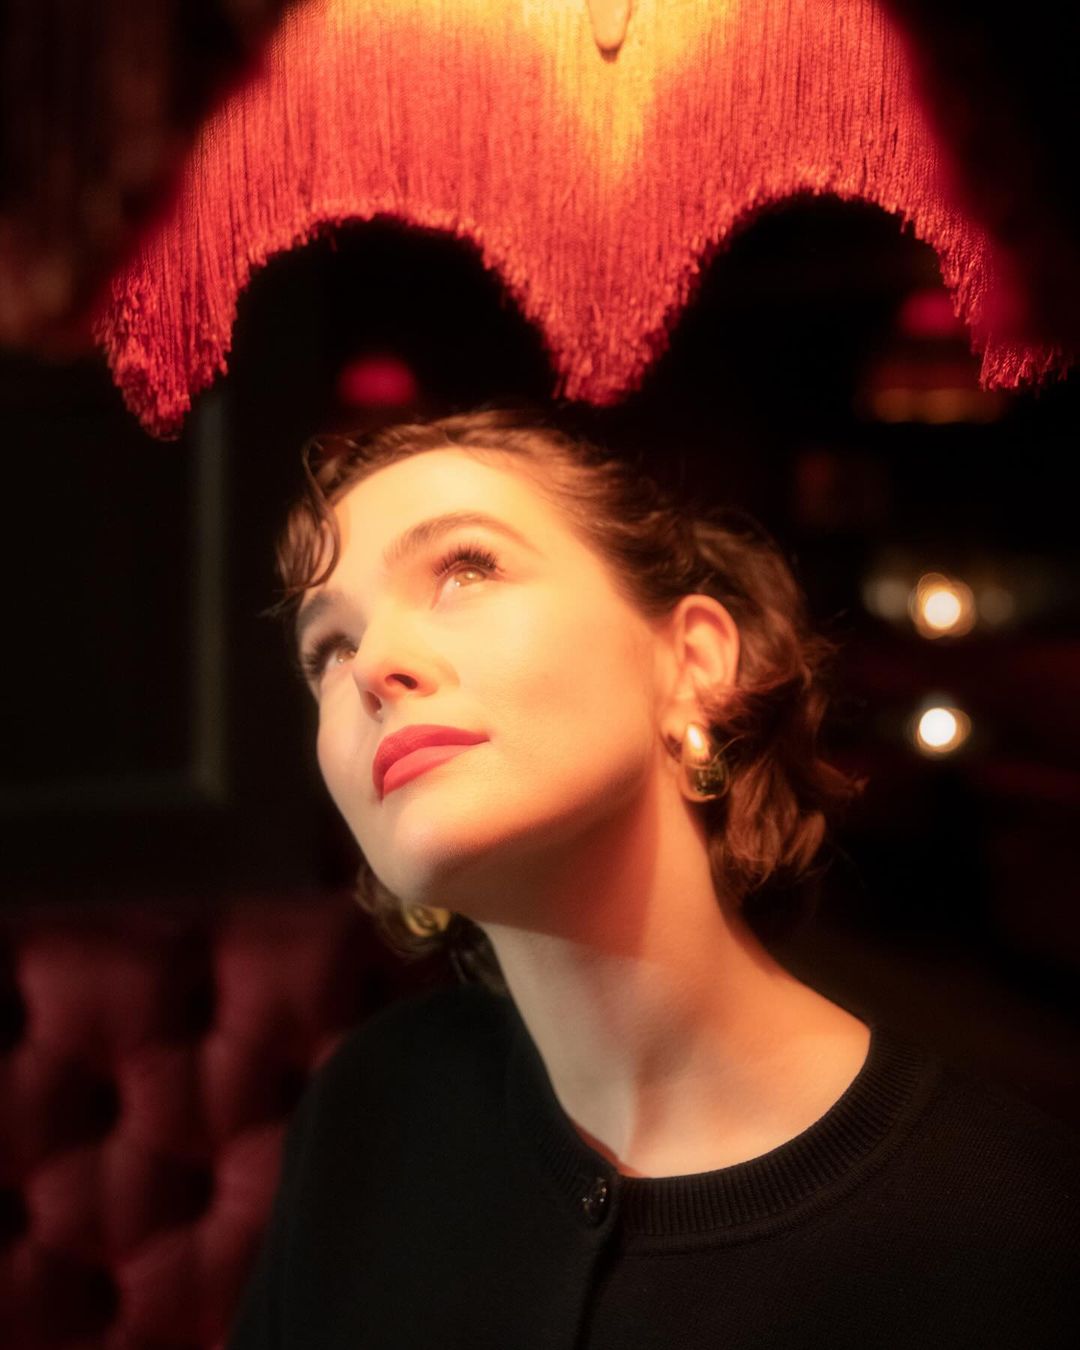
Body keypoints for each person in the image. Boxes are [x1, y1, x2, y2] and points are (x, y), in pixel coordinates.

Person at [230, 408, 1077, 1348]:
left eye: (467, 568)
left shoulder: (1006, 1229)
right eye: (328, 648)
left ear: (692, 663)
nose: (373, 668)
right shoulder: (371, 1108)